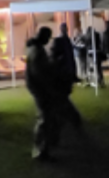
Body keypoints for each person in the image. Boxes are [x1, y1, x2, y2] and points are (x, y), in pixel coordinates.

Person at [26, 27, 82, 162]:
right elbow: (40, 72)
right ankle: (41, 149)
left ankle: (47, 145)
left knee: (50, 117)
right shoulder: (37, 51)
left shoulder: (36, 49)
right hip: (41, 89)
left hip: (41, 88)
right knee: (45, 118)